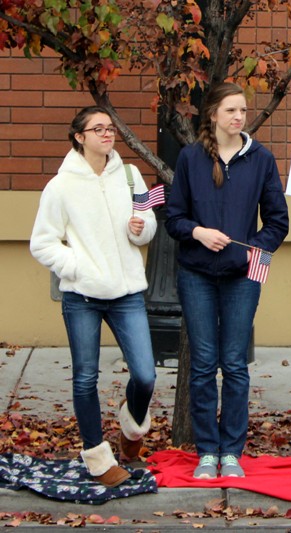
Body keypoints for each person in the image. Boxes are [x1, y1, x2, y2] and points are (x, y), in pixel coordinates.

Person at [166, 83, 289, 479]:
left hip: (242, 276)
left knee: (235, 364)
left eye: (243, 110)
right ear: (214, 115)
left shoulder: (261, 159)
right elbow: (174, 217)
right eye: (231, 110)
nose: (239, 117)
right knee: (203, 365)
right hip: (197, 274)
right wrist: (198, 232)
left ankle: (232, 451)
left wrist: (253, 247)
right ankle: (207, 451)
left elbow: (278, 220)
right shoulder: (190, 158)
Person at [30, 106, 157, 487]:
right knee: (86, 377)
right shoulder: (61, 185)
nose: (107, 134)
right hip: (82, 295)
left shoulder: (131, 176)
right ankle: (98, 458)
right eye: (97, 128)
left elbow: (148, 223)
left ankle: (132, 429)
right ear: (79, 137)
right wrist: (77, 266)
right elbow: (42, 243)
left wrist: (141, 228)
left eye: (110, 128)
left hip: (127, 292)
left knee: (146, 375)